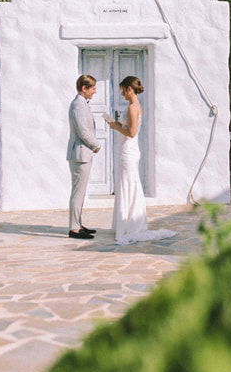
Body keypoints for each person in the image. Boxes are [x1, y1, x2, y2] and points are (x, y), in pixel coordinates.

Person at [106, 76, 176, 246]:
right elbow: (130, 129)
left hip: (128, 150)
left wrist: (115, 127)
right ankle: (130, 222)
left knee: (128, 184)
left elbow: (131, 132)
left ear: (129, 89)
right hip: (130, 150)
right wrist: (118, 125)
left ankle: (129, 224)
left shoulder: (132, 107)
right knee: (130, 184)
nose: (122, 94)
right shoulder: (136, 106)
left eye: (123, 90)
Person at [67, 74, 100, 240]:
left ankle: (78, 224)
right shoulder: (78, 106)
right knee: (78, 192)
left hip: (82, 153)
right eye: (93, 88)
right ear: (84, 88)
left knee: (80, 191)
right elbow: (83, 131)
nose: (95, 91)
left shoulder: (81, 104)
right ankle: (74, 229)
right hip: (80, 154)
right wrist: (95, 145)